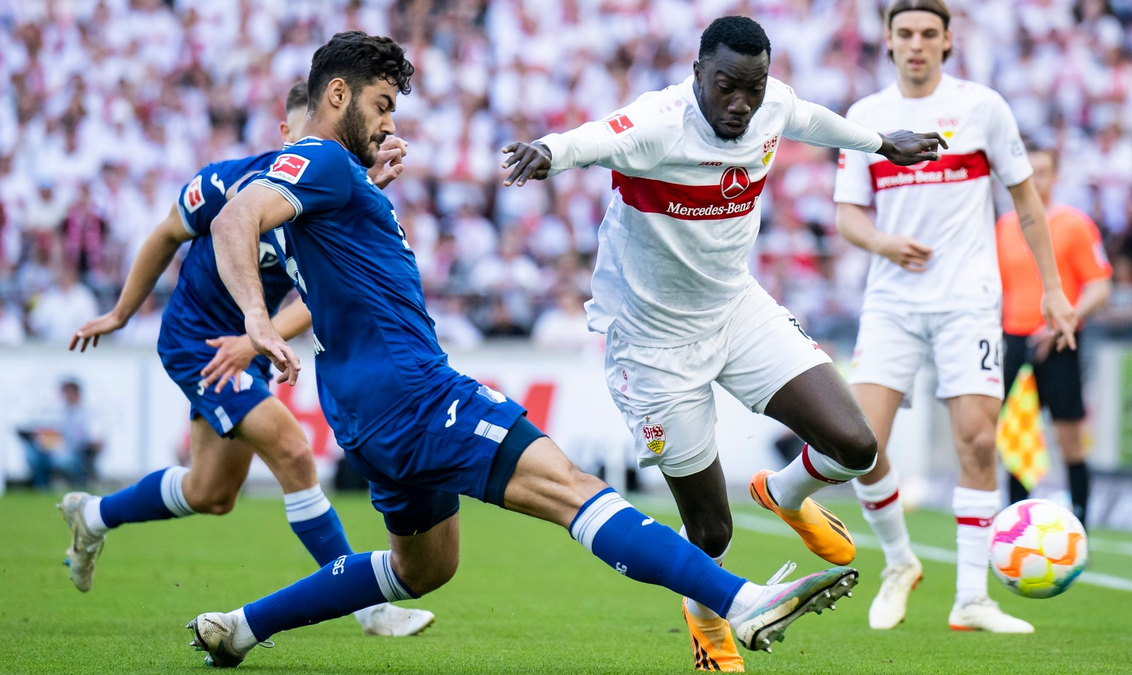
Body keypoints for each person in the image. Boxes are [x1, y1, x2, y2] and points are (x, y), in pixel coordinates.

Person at [192, 31, 857, 670]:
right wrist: (257, 318)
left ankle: (240, 627)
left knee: (423, 567)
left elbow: (331, 250)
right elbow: (233, 217)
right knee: (572, 489)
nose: (389, 123)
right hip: (413, 393)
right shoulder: (323, 160)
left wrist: (366, 190)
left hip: (359, 406)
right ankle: (743, 602)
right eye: (381, 104)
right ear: (338, 94)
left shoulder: (335, 179)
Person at [501, 16, 942, 671]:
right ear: (698, 74)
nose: (740, 103)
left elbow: (810, 119)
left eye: (753, 88)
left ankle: (783, 493)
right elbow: (595, 138)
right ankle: (707, 621)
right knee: (711, 531)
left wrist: (883, 144)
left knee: (856, 446)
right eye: (726, 86)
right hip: (653, 346)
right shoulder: (659, 123)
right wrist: (548, 150)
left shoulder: (770, 105)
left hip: (736, 310)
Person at [57, 81, 432, 637]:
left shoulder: (333, 192)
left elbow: (321, 297)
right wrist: (120, 312)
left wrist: (256, 339)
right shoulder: (227, 182)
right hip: (200, 342)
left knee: (211, 492)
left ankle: (92, 515)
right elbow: (165, 235)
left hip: (249, 347)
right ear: (286, 132)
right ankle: (367, 606)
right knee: (294, 452)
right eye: (308, 135)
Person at [833, 0, 1077, 634]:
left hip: (967, 300)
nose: (916, 43)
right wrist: (884, 243)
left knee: (978, 440)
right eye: (905, 33)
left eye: (928, 33)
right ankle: (899, 561)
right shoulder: (865, 117)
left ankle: (971, 597)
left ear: (947, 41)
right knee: (858, 444)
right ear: (888, 41)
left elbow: (1026, 204)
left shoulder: (983, 107)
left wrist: (1052, 289)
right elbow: (848, 215)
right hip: (891, 302)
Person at [997, 145, 1112, 526]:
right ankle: (1015, 526)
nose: (1035, 179)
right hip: (1015, 341)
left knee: (1070, 440)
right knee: (1017, 440)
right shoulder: (1005, 226)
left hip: (1062, 340)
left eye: (1043, 171)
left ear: (1056, 176)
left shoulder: (1074, 224)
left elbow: (1100, 285)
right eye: (1028, 171)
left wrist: (1067, 318)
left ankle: (1080, 524)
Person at [22, 378, 101, 488]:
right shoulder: (63, 411)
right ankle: (42, 489)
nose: (64, 396)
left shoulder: (88, 412)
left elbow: (95, 439)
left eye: (67, 393)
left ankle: (73, 485)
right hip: (55, 450)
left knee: (63, 460)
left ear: (76, 393)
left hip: (76, 452)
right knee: (33, 456)